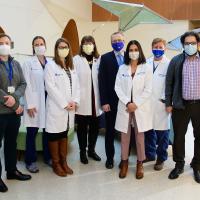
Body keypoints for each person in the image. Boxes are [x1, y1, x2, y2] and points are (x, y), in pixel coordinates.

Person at [115, 40, 153, 179]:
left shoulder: (146, 68)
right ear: (127, 52)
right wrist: (127, 103)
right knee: (124, 137)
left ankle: (140, 163)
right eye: (130, 50)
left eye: (135, 49)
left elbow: (148, 89)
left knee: (139, 137)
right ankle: (124, 162)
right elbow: (117, 87)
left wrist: (135, 104)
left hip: (139, 108)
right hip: (125, 107)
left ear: (140, 51)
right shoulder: (122, 68)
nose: (133, 52)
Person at [165, 31, 200, 183]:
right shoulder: (176, 61)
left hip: (199, 105)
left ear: (198, 44)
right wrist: (168, 103)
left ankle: (197, 164)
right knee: (178, 137)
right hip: (180, 105)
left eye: (193, 43)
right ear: (183, 45)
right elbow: (169, 83)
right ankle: (179, 164)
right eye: (187, 43)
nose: (190, 46)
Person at [0, 33, 31, 193]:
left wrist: (15, 98)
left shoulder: (16, 64)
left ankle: (11, 171)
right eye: (1, 42)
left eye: (7, 42)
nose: (4, 45)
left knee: (11, 143)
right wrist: (8, 101)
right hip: (0, 112)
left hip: (14, 112)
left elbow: (23, 83)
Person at [44, 38, 80, 177]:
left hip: (70, 109)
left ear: (69, 49)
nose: (63, 49)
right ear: (56, 49)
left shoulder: (71, 66)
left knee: (64, 134)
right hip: (57, 107)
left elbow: (76, 87)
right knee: (54, 135)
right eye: (60, 47)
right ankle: (56, 163)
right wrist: (65, 104)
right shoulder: (50, 65)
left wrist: (75, 102)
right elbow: (50, 87)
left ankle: (64, 162)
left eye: (65, 47)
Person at [22, 36, 51, 173]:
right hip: (34, 101)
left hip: (48, 102)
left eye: (41, 44)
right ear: (33, 47)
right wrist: (30, 104)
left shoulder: (50, 62)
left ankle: (48, 157)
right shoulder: (28, 63)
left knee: (48, 131)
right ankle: (30, 160)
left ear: (45, 45)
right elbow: (25, 84)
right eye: (36, 44)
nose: (39, 46)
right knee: (32, 132)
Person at [98, 31, 125, 169]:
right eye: (114, 41)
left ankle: (124, 159)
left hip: (127, 103)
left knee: (126, 133)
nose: (117, 42)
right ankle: (110, 158)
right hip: (111, 102)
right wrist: (104, 102)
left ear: (124, 40)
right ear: (111, 42)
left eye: (119, 40)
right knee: (110, 132)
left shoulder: (130, 56)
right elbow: (101, 81)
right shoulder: (105, 58)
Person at [73, 35, 102, 164]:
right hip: (82, 100)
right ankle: (82, 152)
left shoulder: (99, 59)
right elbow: (73, 81)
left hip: (96, 100)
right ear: (81, 45)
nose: (88, 45)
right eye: (85, 43)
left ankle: (91, 150)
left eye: (90, 43)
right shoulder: (76, 59)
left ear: (94, 44)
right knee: (82, 128)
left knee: (95, 128)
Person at [144, 38, 170, 171]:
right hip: (147, 104)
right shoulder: (147, 62)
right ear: (151, 47)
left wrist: (167, 101)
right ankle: (150, 155)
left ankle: (161, 158)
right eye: (155, 47)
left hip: (162, 103)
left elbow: (171, 84)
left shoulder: (169, 63)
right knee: (149, 130)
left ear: (165, 48)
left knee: (162, 133)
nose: (158, 49)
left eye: (160, 47)